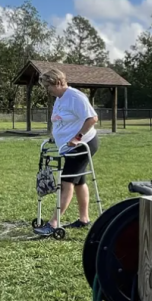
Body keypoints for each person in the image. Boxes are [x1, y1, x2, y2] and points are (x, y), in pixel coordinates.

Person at [34, 68, 100, 236]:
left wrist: (77, 137)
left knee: (66, 182)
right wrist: (55, 137)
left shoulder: (75, 97)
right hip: (68, 147)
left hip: (82, 145)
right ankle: (84, 219)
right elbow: (60, 121)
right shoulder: (59, 98)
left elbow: (92, 118)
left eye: (48, 86)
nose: (47, 90)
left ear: (57, 82)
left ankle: (53, 223)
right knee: (79, 182)